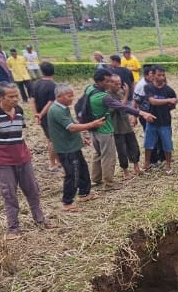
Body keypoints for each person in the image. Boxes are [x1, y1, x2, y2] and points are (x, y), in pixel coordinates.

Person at [0, 82, 52, 239]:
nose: (15, 99)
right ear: (0, 97)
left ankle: (40, 220)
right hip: (4, 162)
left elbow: (19, 134)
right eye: (11, 96)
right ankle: (13, 228)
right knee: (9, 194)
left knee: (32, 190)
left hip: (23, 158)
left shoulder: (19, 111)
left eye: (16, 96)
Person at [84, 69, 154, 190]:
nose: (109, 83)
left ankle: (96, 178)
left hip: (94, 128)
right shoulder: (104, 97)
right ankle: (109, 184)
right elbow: (122, 107)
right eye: (107, 81)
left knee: (97, 154)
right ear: (99, 82)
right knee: (108, 157)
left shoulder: (89, 89)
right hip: (105, 129)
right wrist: (141, 113)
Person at [45, 83, 105, 212]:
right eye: (69, 96)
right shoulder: (56, 110)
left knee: (82, 169)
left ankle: (84, 193)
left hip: (73, 145)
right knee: (72, 174)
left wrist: (80, 137)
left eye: (72, 95)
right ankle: (67, 202)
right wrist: (92, 124)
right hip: (66, 148)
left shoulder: (63, 108)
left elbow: (70, 125)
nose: (72, 98)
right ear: (59, 96)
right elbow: (71, 127)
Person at [106, 73, 142, 179]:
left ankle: (136, 166)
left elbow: (127, 107)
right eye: (116, 84)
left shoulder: (121, 92)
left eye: (119, 83)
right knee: (122, 150)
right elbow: (120, 107)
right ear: (110, 84)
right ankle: (125, 171)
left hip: (126, 125)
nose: (118, 86)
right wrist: (126, 95)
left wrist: (132, 116)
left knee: (134, 146)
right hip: (117, 127)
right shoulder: (107, 96)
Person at [142, 66, 178, 175]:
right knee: (148, 144)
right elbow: (152, 101)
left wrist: (169, 104)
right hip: (152, 121)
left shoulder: (169, 90)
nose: (161, 77)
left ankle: (168, 164)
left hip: (165, 121)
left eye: (163, 75)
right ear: (153, 75)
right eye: (159, 75)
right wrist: (168, 100)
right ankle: (147, 163)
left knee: (167, 144)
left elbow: (173, 105)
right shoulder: (148, 87)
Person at [29, 61, 60, 171]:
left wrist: (36, 114)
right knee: (53, 140)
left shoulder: (36, 84)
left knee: (50, 138)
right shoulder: (53, 86)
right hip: (49, 116)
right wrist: (41, 114)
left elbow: (32, 100)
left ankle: (58, 161)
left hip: (42, 116)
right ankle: (52, 164)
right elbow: (50, 102)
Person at [133, 65, 165, 169]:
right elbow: (135, 101)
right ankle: (152, 160)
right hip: (146, 115)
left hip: (158, 114)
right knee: (151, 137)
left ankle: (162, 157)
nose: (155, 76)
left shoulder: (157, 83)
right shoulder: (141, 86)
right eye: (152, 74)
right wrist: (134, 116)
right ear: (146, 75)